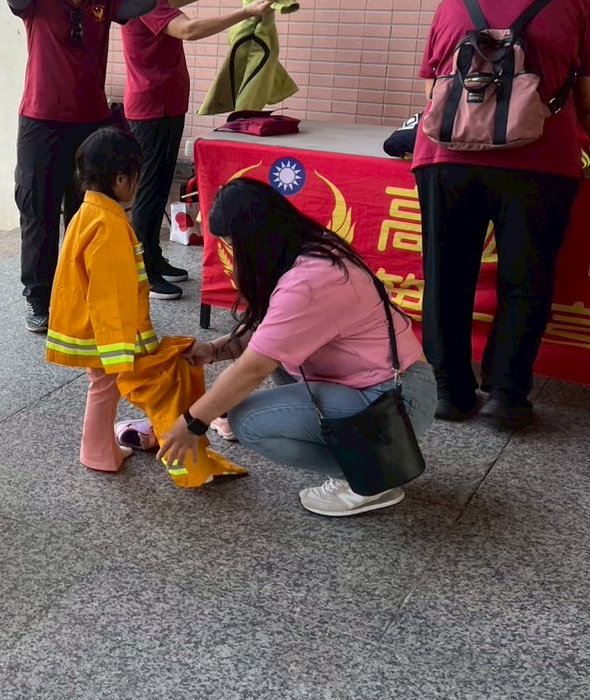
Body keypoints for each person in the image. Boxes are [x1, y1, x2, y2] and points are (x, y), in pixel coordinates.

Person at [413, 0, 590, 430]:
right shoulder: (575, 3)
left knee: (446, 272)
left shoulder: (456, 1)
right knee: (525, 276)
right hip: (539, 162)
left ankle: (450, 393)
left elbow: (435, 91)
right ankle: (505, 395)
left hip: (445, 158)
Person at [156, 179, 438, 517]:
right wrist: (215, 350)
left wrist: (192, 422)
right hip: (382, 381)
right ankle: (365, 461)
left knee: (248, 419)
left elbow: (253, 367)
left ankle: (370, 478)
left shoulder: (312, 281)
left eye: (233, 245)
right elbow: (274, 334)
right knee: (272, 363)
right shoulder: (308, 248)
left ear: (255, 239)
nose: (232, 254)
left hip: (394, 400)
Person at [45, 127, 246, 488]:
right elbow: (112, 296)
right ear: (120, 179)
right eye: (136, 175)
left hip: (91, 327)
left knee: (103, 388)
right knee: (108, 386)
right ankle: (97, 453)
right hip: (106, 333)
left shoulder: (89, 211)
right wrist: (129, 346)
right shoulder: (108, 224)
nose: (138, 183)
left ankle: (102, 449)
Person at [0, 0, 158, 334]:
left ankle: (79, 289)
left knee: (85, 211)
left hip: (91, 124)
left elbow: (145, 2)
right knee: (38, 210)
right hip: (41, 122)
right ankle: (38, 297)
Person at [122, 0, 272, 299]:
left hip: (165, 104)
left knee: (159, 189)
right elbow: (187, 29)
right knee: (149, 193)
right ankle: (142, 271)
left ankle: (154, 259)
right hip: (151, 108)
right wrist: (245, 11)